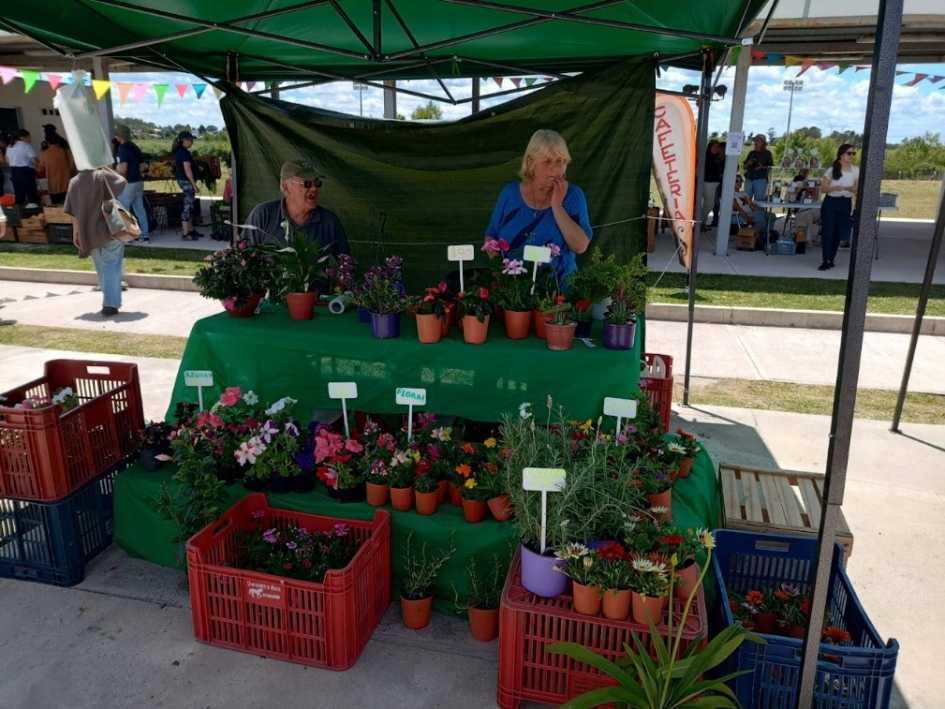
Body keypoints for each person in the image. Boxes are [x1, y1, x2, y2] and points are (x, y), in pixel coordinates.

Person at [484, 129, 592, 287]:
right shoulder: (509, 193)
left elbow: (580, 246)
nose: (555, 168)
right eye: (547, 161)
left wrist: (557, 206)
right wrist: (502, 273)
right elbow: (491, 237)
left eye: (560, 161)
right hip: (516, 291)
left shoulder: (573, 196)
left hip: (559, 292)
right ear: (530, 162)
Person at [243, 161, 351, 292]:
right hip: (270, 301)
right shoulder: (263, 215)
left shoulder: (329, 221)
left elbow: (346, 263)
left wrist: (336, 297)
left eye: (317, 183)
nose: (314, 188)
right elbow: (244, 258)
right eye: (307, 184)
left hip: (314, 302)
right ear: (286, 187)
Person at [63, 168, 128, 316]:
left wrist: (76, 232)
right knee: (112, 266)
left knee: (100, 268)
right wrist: (106, 167)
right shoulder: (102, 175)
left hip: (88, 233)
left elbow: (73, 211)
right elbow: (123, 182)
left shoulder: (74, 182)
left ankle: (108, 300)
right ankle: (110, 303)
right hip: (109, 228)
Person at [818, 143, 859, 271]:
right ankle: (825, 260)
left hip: (845, 202)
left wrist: (852, 189)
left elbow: (857, 188)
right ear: (841, 154)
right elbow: (823, 189)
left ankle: (831, 258)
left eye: (853, 153)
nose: (851, 156)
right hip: (831, 201)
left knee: (838, 232)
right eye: (849, 153)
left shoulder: (855, 170)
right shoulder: (832, 169)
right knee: (828, 232)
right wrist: (833, 188)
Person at [114, 124, 150, 243]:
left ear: (119, 137)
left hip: (127, 183)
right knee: (140, 209)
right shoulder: (134, 147)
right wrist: (135, 172)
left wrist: (113, 173)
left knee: (124, 211)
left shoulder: (122, 149)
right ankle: (144, 235)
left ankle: (128, 236)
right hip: (138, 182)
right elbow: (143, 166)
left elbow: (123, 169)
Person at [172, 130, 203, 240]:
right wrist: (194, 184)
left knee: (190, 206)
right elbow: (187, 169)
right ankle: (186, 234)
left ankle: (190, 230)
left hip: (183, 180)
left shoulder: (179, 152)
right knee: (187, 206)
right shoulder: (184, 153)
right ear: (184, 140)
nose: (192, 142)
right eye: (190, 140)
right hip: (187, 181)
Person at [36, 133, 76, 205]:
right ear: (58, 141)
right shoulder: (66, 152)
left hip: (53, 186)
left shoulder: (45, 154)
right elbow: (72, 165)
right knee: (70, 206)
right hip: (67, 184)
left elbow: (39, 169)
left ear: (47, 142)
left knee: (56, 207)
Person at [7, 129, 40, 206]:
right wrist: (39, 164)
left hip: (14, 171)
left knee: (19, 193)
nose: (30, 139)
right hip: (26, 171)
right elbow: (34, 160)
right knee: (31, 193)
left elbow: (7, 160)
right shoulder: (26, 146)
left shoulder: (10, 146)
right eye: (29, 137)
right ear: (22, 137)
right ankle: (33, 209)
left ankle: (19, 210)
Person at [700, 139, 724, 231]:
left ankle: (702, 222)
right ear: (710, 147)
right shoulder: (707, 157)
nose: (716, 148)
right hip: (708, 182)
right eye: (714, 147)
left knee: (708, 204)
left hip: (716, 182)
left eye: (718, 147)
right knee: (709, 204)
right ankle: (700, 222)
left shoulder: (717, 158)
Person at [742, 134, 774, 202]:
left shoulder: (767, 153)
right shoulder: (751, 153)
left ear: (763, 143)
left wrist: (762, 167)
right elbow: (744, 167)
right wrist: (748, 164)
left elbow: (771, 167)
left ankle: (759, 209)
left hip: (760, 179)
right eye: (755, 140)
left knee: (759, 200)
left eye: (758, 140)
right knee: (746, 199)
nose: (755, 142)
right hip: (749, 178)